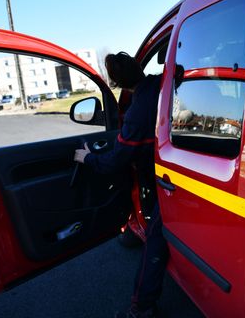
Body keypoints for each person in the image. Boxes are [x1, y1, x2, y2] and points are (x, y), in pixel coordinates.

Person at [73, 51, 167, 318]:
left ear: (117, 84)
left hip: (165, 182)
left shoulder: (136, 113)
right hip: (179, 169)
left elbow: (116, 160)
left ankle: (142, 308)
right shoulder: (162, 83)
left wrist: (88, 158)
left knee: (155, 242)